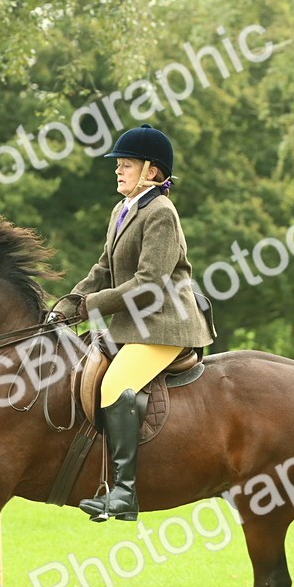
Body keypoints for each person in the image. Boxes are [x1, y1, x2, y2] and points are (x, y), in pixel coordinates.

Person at [48, 124, 214, 523]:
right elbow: (103, 269)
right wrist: (66, 304)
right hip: (132, 324)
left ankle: (123, 493)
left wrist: (88, 307)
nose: (118, 171)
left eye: (126, 165)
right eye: (118, 165)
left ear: (152, 172)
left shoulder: (161, 213)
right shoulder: (123, 210)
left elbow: (149, 285)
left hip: (164, 323)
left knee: (115, 385)